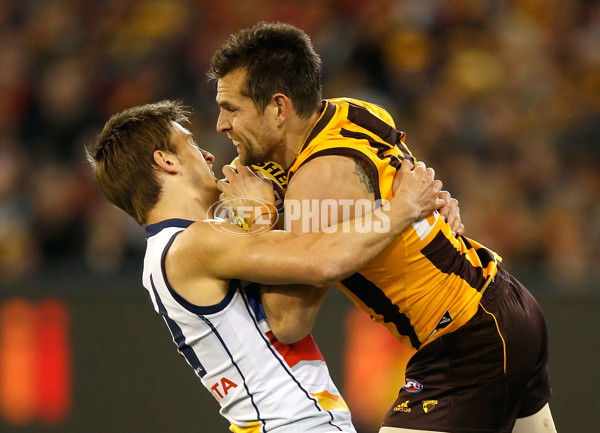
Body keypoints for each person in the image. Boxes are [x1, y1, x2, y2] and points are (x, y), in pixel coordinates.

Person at [208, 21, 557, 433]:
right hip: (503, 301)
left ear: (280, 108)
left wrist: (255, 220)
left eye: (232, 108)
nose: (220, 124)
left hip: (464, 339)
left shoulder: (318, 179)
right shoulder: (354, 111)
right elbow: (405, 191)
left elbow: (289, 321)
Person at [85, 100, 448, 433]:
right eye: (192, 144)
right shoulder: (192, 244)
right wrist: (404, 208)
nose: (209, 155)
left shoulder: (175, 248)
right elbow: (322, 260)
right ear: (166, 161)